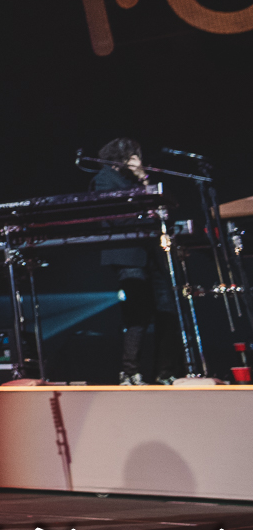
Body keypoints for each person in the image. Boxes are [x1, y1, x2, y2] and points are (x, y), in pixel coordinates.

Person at [90, 137, 180, 384]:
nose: (138, 162)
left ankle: (165, 371)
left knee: (167, 310)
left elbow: (158, 207)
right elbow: (118, 216)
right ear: (122, 158)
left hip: (151, 253)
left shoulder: (134, 180)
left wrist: (143, 179)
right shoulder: (105, 178)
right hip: (127, 253)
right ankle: (130, 371)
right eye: (134, 157)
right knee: (138, 312)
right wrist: (144, 202)